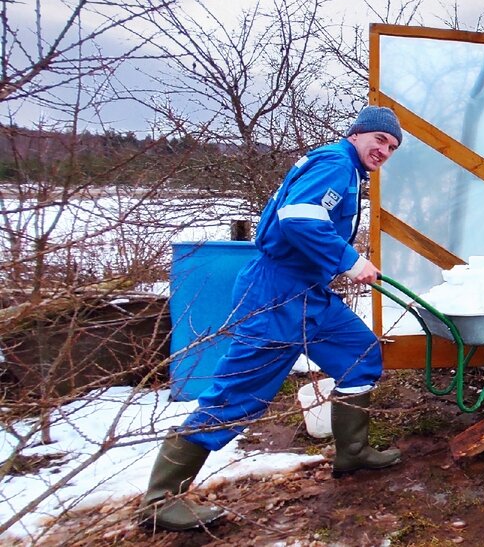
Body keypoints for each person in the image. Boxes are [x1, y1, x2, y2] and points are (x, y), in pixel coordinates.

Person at [138, 106, 405, 532]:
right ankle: (160, 500)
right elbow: (298, 218)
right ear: (357, 134)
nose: (385, 151)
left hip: (309, 293)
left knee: (359, 354)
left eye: (392, 147)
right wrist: (350, 261)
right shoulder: (336, 164)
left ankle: (352, 452)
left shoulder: (348, 170)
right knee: (237, 395)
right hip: (276, 294)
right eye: (380, 140)